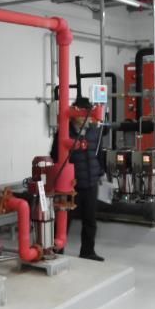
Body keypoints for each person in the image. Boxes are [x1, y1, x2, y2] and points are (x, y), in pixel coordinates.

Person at [50, 97, 105, 261]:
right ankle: (56, 251)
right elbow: (55, 155)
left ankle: (88, 251)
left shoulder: (94, 132)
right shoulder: (64, 132)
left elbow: (99, 154)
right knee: (64, 219)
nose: (86, 118)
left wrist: (100, 172)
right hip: (70, 185)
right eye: (83, 114)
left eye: (88, 114)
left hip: (91, 182)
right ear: (75, 113)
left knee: (90, 220)